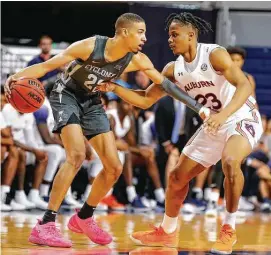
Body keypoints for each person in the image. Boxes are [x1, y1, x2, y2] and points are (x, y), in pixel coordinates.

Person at [4, 13, 208, 248]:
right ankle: (45, 224)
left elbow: (165, 85)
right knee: (77, 155)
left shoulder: (138, 60)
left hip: (92, 100)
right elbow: (48, 66)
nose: (145, 37)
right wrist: (17, 76)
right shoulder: (90, 46)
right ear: (124, 32)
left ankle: (84, 217)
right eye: (140, 32)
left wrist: (198, 106)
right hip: (66, 95)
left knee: (114, 166)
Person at [99, 12, 263, 254]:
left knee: (230, 161)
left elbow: (245, 85)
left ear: (191, 35)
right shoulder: (172, 69)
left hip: (240, 115)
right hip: (214, 122)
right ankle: (166, 231)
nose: (170, 40)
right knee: (177, 177)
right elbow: (145, 100)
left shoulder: (214, 54)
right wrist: (115, 87)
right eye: (169, 36)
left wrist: (222, 114)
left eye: (175, 35)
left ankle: (228, 230)